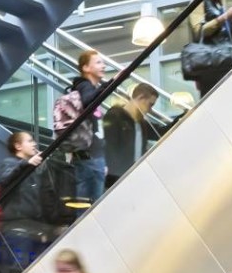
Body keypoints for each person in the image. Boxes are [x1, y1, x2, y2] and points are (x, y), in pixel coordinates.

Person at [0, 131, 53, 266]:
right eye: (29, 141)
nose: (34, 143)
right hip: (18, 229)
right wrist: (26, 164)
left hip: (36, 228)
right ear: (18, 146)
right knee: (19, 272)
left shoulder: (33, 168)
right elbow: (5, 179)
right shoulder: (9, 163)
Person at [101, 84, 169, 188]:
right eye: (150, 104)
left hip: (134, 177)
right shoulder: (115, 117)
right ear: (140, 98)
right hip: (118, 180)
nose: (150, 110)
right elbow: (110, 151)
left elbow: (160, 132)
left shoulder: (140, 123)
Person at [69, 50, 109, 204]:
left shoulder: (88, 88)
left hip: (91, 158)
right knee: (89, 209)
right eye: (98, 62)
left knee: (88, 207)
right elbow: (87, 101)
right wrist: (109, 84)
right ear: (86, 68)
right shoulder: (84, 86)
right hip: (89, 159)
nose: (103, 66)